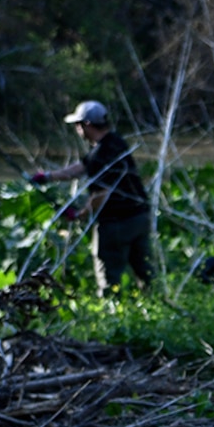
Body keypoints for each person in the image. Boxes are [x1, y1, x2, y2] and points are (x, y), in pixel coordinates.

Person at [31, 100, 153, 293]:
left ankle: (111, 311)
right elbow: (83, 167)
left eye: (78, 125)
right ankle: (152, 303)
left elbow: (101, 194)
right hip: (140, 217)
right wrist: (48, 177)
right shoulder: (115, 143)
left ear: (86, 125)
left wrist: (80, 214)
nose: (77, 129)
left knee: (108, 278)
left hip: (115, 223)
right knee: (144, 271)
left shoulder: (100, 154)